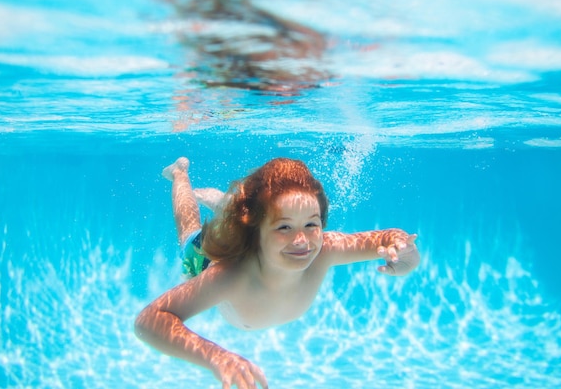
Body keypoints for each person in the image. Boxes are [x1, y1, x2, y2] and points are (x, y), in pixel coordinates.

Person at [134, 157, 420, 389]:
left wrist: (407, 254)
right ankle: (180, 174)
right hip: (207, 256)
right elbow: (148, 320)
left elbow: (390, 237)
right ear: (256, 229)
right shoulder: (229, 275)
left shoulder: (325, 249)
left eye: (311, 225)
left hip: (251, 224)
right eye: (284, 227)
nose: (302, 242)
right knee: (189, 234)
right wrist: (216, 357)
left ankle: (231, 208)